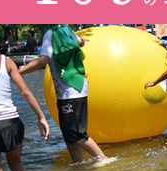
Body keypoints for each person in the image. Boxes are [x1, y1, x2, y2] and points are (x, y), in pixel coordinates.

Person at [19, 25, 106, 163]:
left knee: (76, 134)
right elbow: (80, 42)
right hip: (74, 87)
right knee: (68, 134)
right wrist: (82, 39)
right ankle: (78, 165)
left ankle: (103, 159)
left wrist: (18, 73)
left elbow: (44, 60)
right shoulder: (65, 29)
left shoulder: (50, 33)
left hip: (70, 90)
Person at [0, 51, 50, 171]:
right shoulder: (6, 62)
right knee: (16, 163)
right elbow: (25, 92)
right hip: (12, 123)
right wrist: (41, 117)